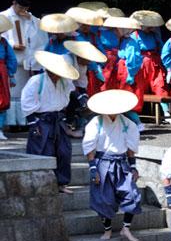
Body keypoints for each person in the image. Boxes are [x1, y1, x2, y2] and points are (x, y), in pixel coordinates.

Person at [83, 90, 142, 241]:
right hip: (102, 162)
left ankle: (126, 228)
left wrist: (133, 167)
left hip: (122, 163)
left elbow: (130, 149)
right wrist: (93, 168)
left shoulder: (128, 124)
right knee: (104, 199)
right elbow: (90, 147)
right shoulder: (96, 122)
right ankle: (107, 230)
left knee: (132, 194)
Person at [21, 51, 77, 193]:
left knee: (64, 151)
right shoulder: (36, 81)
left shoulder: (64, 82)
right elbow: (27, 101)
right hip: (41, 121)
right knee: (43, 151)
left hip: (57, 120)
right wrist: (32, 123)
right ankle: (43, 185)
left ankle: (61, 183)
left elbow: (65, 101)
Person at [1, 0, 47, 130]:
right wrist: (12, 45)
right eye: (20, 6)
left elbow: (40, 37)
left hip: (27, 62)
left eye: (25, 7)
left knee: (25, 92)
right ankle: (9, 124)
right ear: (14, 3)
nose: (22, 10)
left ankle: (24, 122)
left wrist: (29, 19)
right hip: (10, 62)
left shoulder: (30, 18)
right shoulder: (3, 16)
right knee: (9, 93)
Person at [63, 40, 106, 138]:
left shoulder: (83, 65)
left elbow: (81, 82)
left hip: (67, 88)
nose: (90, 61)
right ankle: (66, 125)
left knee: (83, 103)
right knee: (73, 101)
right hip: (57, 87)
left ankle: (77, 126)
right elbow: (67, 83)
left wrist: (85, 97)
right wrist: (79, 97)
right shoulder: (67, 60)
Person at [130, 10, 168, 117]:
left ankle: (166, 110)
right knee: (139, 87)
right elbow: (133, 52)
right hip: (140, 64)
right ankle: (135, 114)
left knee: (160, 84)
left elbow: (160, 47)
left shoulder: (154, 35)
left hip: (154, 62)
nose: (150, 28)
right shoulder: (134, 35)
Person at [66, 7, 106, 96]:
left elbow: (101, 51)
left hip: (92, 68)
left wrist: (99, 65)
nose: (86, 27)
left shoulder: (93, 36)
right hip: (74, 65)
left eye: (88, 25)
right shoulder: (72, 35)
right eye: (83, 25)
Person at [0, 15, 17, 140]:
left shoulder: (4, 43)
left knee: (3, 101)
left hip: (2, 73)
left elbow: (12, 59)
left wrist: (11, 75)